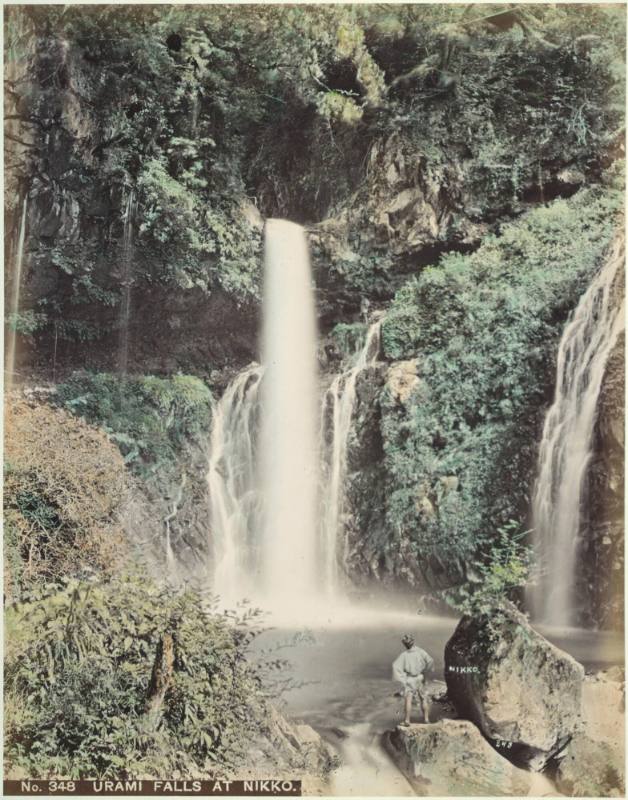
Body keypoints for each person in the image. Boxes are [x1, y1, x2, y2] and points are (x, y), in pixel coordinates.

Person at [392, 633, 434, 726]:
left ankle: (407, 721)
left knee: (408, 700)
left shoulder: (404, 655)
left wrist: (402, 678)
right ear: (413, 642)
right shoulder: (420, 651)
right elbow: (430, 661)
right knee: (423, 699)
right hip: (420, 677)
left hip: (410, 679)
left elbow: (395, 666)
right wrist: (425, 671)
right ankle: (426, 720)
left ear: (405, 644)